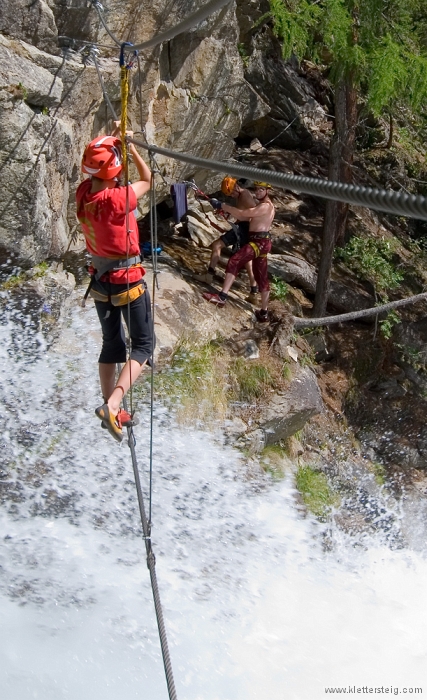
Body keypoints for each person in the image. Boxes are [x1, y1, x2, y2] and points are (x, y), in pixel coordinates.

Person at [76, 124, 154, 443]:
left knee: (112, 345)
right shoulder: (119, 198)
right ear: (115, 168)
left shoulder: (84, 193)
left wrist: (115, 138)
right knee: (144, 347)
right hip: (127, 282)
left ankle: (108, 404)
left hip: (100, 283)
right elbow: (147, 180)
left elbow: (102, 166)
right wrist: (133, 148)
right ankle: (114, 403)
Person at [203, 182, 275, 322]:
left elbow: (243, 213)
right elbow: (243, 217)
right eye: (257, 189)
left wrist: (222, 205)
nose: (258, 192)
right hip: (262, 242)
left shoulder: (265, 206)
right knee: (261, 276)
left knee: (234, 261)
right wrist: (225, 210)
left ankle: (222, 297)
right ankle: (263, 312)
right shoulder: (267, 206)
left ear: (267, 191)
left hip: (258, 242)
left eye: (261, 190)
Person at [195, 176, 259, 303]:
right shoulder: (241, 195)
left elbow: (254, 212)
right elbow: (242, 212)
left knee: (217, 245)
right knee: (247, 261)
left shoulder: (245, 195)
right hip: (243, 227)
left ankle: (210, 276)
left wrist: (223, 206)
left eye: (232, 193)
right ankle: (254, 291)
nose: (232, 196)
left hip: (244, 229)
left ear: (236, 187)